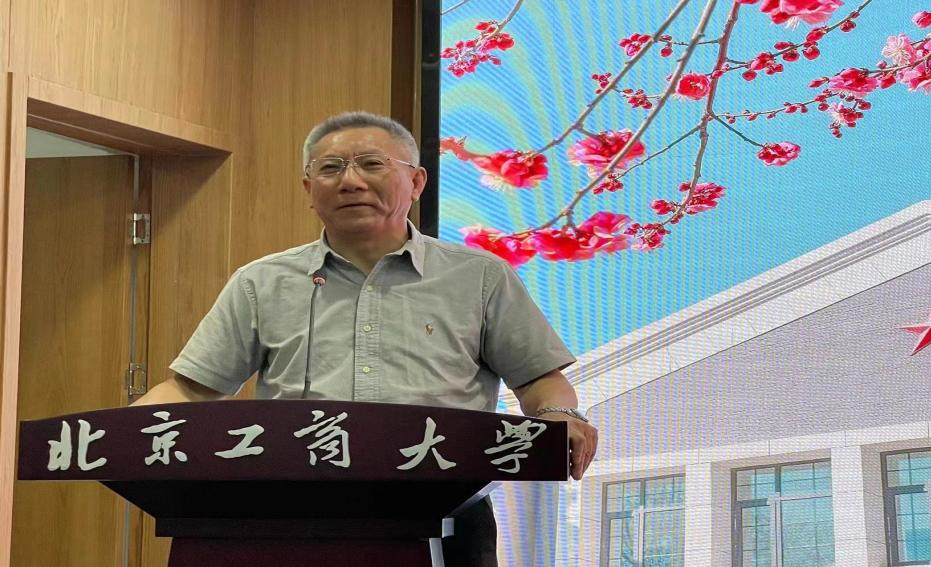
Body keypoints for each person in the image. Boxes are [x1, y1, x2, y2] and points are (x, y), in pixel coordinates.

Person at [132, 111, 598, 566]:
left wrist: (559, 414)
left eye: (372, 164)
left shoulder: (480, 277)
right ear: (308, 189)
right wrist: (124, 432)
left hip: (448, 509)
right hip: (290, 513)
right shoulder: (261, 282)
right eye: (330, 168)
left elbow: (540, 380)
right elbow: (190, 390)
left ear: (416, 182)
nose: (350, 181)